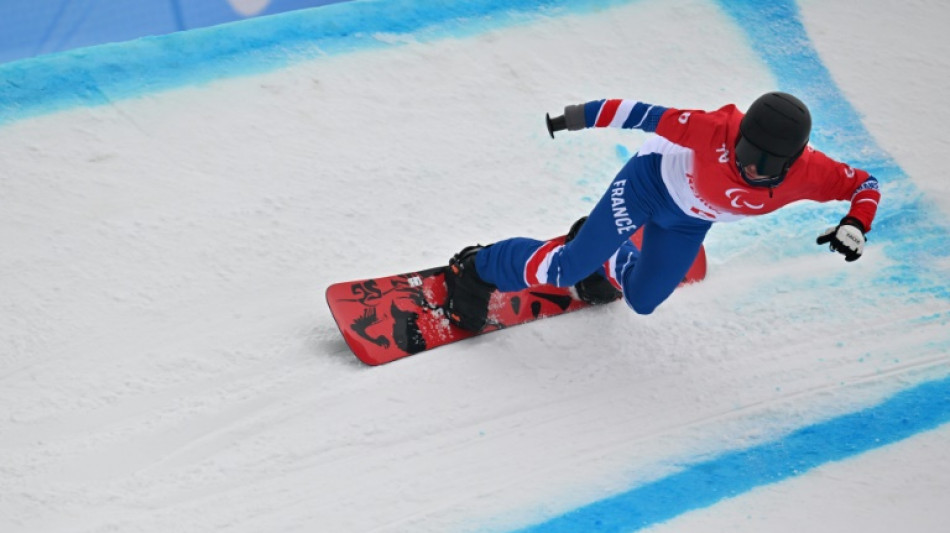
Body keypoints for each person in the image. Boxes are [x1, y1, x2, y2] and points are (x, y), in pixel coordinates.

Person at [444, 92, 881, 332]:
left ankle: (605, 257)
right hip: (647, 186)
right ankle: (477, 268)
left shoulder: (813, 173)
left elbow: (865, 184)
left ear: (793, 163)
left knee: (643, 300)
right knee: (565, 269)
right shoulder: (714, 129)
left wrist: (856, 223)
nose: (748, 165)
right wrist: (574, 118)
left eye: (765, 164)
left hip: (689, 221)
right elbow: (641, 114)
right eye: (745, 150)